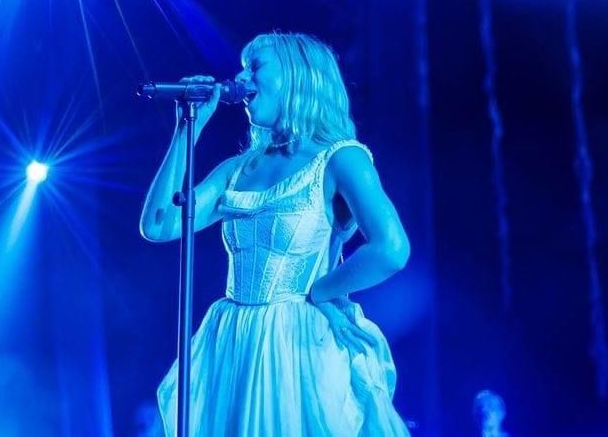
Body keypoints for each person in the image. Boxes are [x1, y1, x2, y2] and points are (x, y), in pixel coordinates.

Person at [140, 31, 412, 436]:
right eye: (243, 69)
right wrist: (187, 128)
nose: (241, 79)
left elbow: (391, 249)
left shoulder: (340, 159)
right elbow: (158, 224)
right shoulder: (237, 169)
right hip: (233, 342)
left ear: (298, 75)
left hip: (299, 345)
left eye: (255, 67)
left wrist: (320, 291)